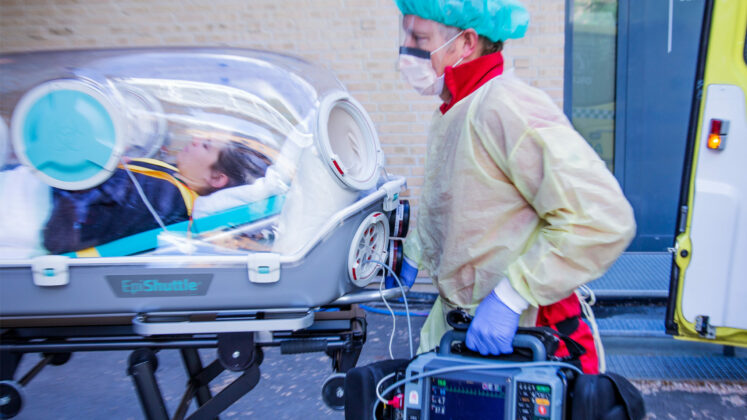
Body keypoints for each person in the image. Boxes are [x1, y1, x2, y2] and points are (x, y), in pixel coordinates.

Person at [391, 0, 636, 373]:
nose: (406, 51)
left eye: (420, 38)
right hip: (462, 328)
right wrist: (414, 252)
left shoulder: (505, 105)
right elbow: (464, 203)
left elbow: (602, 217)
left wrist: (510, 297)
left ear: (467, 42)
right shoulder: (457, 109)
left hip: (525, 336)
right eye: (405, 35)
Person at [42, 134, 270, 255]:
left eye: (206, 146)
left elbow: (67, 233)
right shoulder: (175, 179)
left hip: (41, 202)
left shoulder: (167, 198)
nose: (195, 140)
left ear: (217, 178)